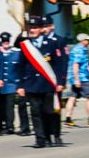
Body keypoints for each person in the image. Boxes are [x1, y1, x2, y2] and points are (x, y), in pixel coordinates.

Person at [13, 16, 63, 147]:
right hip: (32, 84)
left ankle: (51, 135)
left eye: (35, 27)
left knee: (49, 112)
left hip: (47, 84)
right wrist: (20, 85)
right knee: (35, 113)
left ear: (41, 29)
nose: (32, 30)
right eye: (31, 27)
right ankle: (40, 139)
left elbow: (58, 64)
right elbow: (20, 66)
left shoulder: (51, 43)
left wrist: (60, 82)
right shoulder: (25, 45)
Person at [0, 31, 19, 135]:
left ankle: (10, 126)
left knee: (10, 106)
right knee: (0, 106)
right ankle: (1, 125)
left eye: (7, 41)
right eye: (3, 41)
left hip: (11, 84)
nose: (5, 43)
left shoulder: (15, 52)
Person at [64, 33, 89, 124]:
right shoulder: (79, 50)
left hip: (77, 77)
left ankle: (68, 118)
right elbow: (76, 65)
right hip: (81, 78)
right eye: (87, 40)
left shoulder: (79, 49)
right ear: (83, 41)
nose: (88, 41)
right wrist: (77, 79)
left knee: (72, 97)